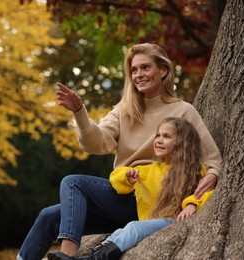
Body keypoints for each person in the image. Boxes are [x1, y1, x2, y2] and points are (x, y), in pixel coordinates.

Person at [16, 43, 221, 260]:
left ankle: (69, 256)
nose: (139, 75)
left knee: (73, 182)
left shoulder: (183, 111)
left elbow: (212, 157)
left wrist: (212, 173)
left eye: (145, 68)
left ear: (163, 70)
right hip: (122, 195)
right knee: (49, 216)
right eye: (134, 70)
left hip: (156, 198)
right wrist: (79, 112)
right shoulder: (125, 109)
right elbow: (96, 144)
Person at [47, 117, 214, 260]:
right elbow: (116, 177)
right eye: (157, 135)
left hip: (173, 221)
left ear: (182, 142)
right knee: (123, 231)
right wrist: (127, 176)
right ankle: (91, 256)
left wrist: (191, 204)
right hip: (152, 221)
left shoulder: (196, 169)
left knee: (133, 227)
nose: (159, 140)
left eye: (166, 136)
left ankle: (93, 258)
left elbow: (207, 192)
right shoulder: (151, 169)